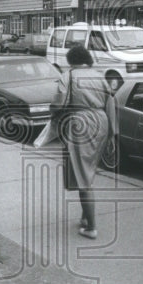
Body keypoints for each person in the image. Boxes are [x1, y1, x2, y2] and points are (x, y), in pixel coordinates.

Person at [52, 44, 115, 239]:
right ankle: (86, 218)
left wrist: (52, 112)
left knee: (82, 176)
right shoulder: (99, 75)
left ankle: (91, 228)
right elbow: (111, 103)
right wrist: (113, 134)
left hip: (81, 122)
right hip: (102, 121)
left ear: (71, 60)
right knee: (89, 169)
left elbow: (58, 104)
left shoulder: (68, 77)